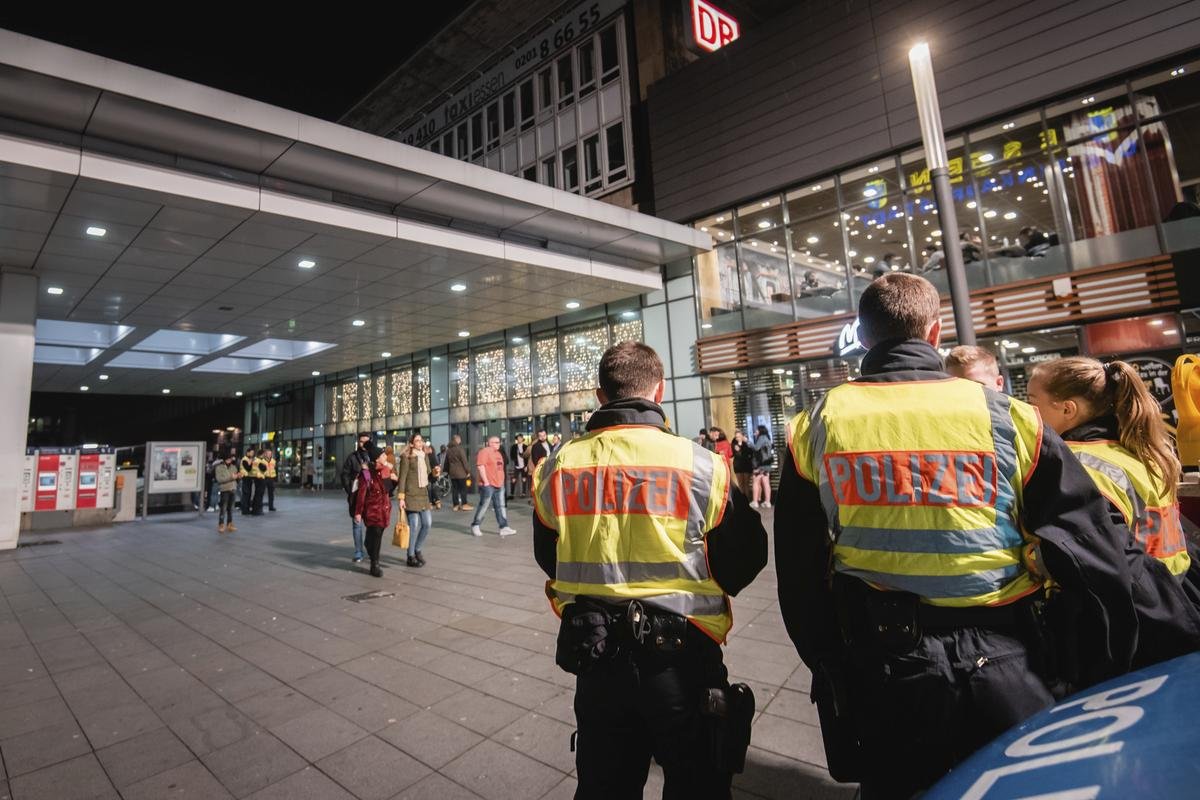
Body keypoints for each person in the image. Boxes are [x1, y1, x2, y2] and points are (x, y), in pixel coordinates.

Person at [776, 273, 1139, 798]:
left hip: (883, 666)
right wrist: (1089, 667)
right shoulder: (1014, 419)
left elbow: (800, 572)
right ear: (935, 331)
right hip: (1006, 658)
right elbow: (1093, 556)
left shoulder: (816, 424)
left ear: (863, 334)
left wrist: (833, 665)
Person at [533, 341, 768, 799]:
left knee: (605, 786)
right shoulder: (701, 464)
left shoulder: (559, 465)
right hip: (682, 660)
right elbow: (747, 555)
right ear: (658, 391)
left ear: (601, 395)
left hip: (596, 656)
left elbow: (549, 554)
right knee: (697, 784)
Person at [1027, 357, 1200, 668]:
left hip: (1128, 622)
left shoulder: (1074, 465)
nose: (1027, 412)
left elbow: (1090, 557)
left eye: (1032, 401)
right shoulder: (1140, 451)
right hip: (1176, 601)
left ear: (1068, 409)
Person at [353, 443, 392, 578]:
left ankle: (368, 545)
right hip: (372, 510)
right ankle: (374, 565)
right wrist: (358, 512)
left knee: (377, 535)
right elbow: (361, 494)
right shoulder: (367, 473)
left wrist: (393, 479)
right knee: (375, 533)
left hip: (384, 509)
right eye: (382, 455)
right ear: (376, 458)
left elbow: (388, 490)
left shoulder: (385, 470)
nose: (385, 456)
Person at [398, 434, 437, 567]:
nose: (420, 442)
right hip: (411, 495)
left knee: (427, 524)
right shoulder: (407, 457)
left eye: (421, 440)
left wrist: (435, 474)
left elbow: (429, 476)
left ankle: (417, 549)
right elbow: (402, 478)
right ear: (412, 443)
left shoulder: (425, 456)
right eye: (417, 441)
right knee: (414, 526)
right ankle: (410, 556)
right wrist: (401, 498)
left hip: (423, 494)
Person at [471, 435, 516, 537]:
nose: (498, 444)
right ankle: (475, 525)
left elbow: (499, 468)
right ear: (489, 443)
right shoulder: (485, 451)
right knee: (484, 505)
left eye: (498, 442)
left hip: (499, 484)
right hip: (488, 484)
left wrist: (501, 481)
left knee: (500, 506)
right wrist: (486, 482)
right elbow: (480, 466)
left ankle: (503, 527)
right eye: (495, 442)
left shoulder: (499, 454)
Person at [340, 432, 373, 563]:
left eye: (366, 441)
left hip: (371, 497)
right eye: (361, 441)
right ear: (358, 443)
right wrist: (351, 490)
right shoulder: (352, 457)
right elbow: (344, 474)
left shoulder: (374, 456)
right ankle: (358, 551)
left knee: (372, 525)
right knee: (357, 524)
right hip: (357, 496)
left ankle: (370, 549)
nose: (363, 444)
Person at [444, 434, 472, 512]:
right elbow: (464, 461)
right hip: (461, 472)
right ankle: (464, 504)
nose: (460, 441)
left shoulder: (448, 450)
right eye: (460, 440)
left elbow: (446, 462)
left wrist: (446, 471)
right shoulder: (459, 449)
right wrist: (468, 471)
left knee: (455, 489)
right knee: (463, 488)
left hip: (452, 473)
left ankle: (455, 505)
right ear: (457, 440)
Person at [214, 453, 238, 533]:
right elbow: (219, 479)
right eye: (228, 459)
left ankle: (230, 523)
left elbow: (236, 477)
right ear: (224, 459)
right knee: (223, 508)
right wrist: (231, 478)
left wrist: (239, 476)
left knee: (231, 508)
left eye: (230, 459)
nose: (229, 460)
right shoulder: (219, 468)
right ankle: (221, 524)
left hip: (233, 488)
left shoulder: (233, 467)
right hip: (224, 489)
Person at [751, 425, 774, 509]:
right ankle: (767, 502)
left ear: (760, 431)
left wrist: (748, 442)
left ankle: (755, 501)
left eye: (756, 430)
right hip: (766, 464)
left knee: (755, 481)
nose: (755, 432)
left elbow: (756, 448)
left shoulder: (761, 438)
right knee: (766, 483)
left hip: (761, 464)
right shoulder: (767, 438)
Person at [730, 430, 755, 499]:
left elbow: (752, 451)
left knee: (746, 483)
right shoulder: (734, 443)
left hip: (746, 464)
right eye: (736, 437)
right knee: (740, 484)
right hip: (738, 465)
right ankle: (742, 500)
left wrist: (743, 445)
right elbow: (733, 454)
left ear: (742, 436)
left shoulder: (747, 443)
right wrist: (736, 449)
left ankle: (747, 499)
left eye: (739, 436)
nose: (738, 438)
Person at [509, 434, 529, 499]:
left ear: (522, 439)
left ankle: (523, 493)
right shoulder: (514, 447)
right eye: (518, 438)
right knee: (514, 479)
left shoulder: (525, 446)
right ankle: (512, 494)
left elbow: (528, 457)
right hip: (517, 465)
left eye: (520, 438)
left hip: (524, 465)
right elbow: (511, 456)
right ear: (516, 439)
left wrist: (526, 466)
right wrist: (515, 459)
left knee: (524, 479)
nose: (519, 439)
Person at [239, 448, 256, 516]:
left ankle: (247, 509)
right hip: (245, 478)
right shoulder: (244, 460)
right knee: (246, 494)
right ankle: (244, 510)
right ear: (247, 453)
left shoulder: (249, 459)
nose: (252, 454)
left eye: (253, 453)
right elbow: (248, 469)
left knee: (248, 494)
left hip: (249, 478)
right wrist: (251, 462)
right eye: (251, 452)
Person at [250, 449, 266, 515]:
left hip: (256, 478)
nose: (265, 455)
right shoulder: (259, 461)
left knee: (257, 495)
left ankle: (255, 510)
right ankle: (257, 510)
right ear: (261, 454)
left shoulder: (255, 460)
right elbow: (264, 468)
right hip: (260, 478)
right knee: (259, 495)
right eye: (264, 454)